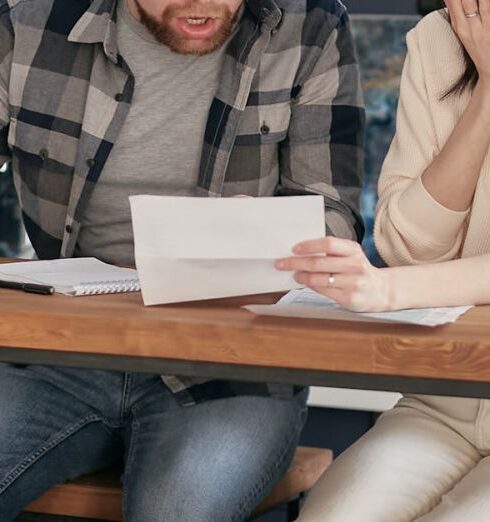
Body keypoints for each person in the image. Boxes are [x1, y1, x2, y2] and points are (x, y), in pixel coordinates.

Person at [0, 0, 364, 519]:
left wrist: (265, 235)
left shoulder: (313, 25)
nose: (202, 3)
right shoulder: (27, 20)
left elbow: (336, 212)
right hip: (63, 353)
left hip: (236, 366)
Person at [275, 0, 490, 520]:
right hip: (446, 400)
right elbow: (407, 245)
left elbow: (398, 275)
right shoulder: (440, 41)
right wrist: (487, 92)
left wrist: (386, 290)